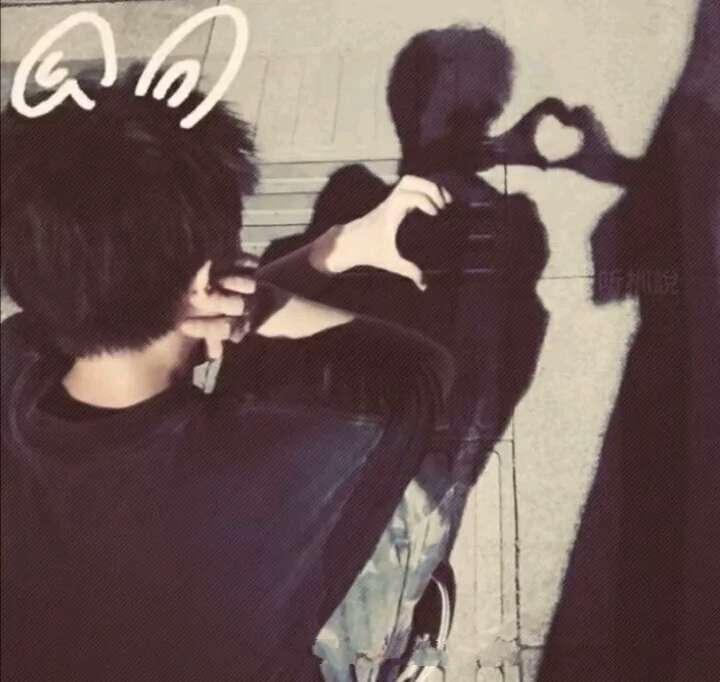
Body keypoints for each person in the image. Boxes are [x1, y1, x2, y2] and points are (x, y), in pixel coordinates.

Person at [0, 64, 456, 681]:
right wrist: (272, 295)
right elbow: (421, 370)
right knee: (417, 488)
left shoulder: (16, 357)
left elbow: (152, 326)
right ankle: (388, 651)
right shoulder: (313, 449)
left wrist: (331, 250)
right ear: (207, 284)